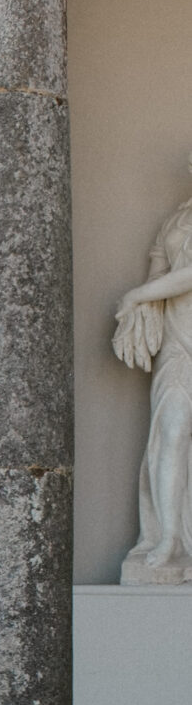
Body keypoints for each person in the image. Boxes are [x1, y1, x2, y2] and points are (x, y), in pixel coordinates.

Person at [111, 154, 192, 579]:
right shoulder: (177, 219)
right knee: (171, 430)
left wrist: (137, 296)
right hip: (178, 344)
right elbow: (158, 272)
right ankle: (170, 535)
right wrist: (140, 318)